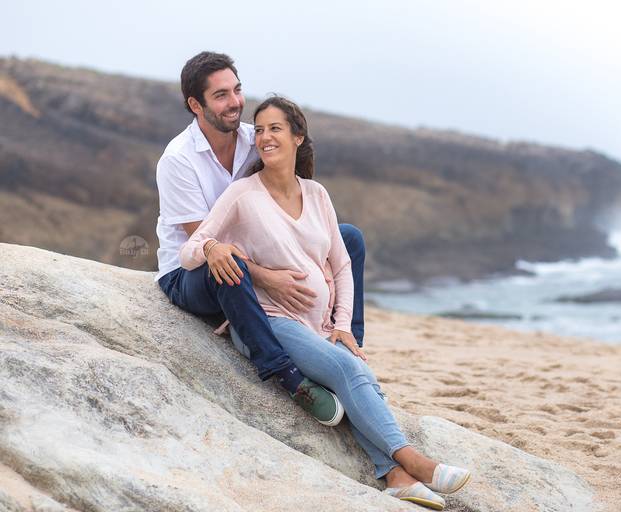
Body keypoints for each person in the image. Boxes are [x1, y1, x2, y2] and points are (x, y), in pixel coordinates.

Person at [179, 96, 470, 510]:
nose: (264, 137)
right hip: (269, 321)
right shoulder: (243, 194)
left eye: (275, 128)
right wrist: (212, 247)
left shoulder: (316, 194)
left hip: (317, 324)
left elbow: (343, 263)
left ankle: (393, 477)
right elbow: (188, 250)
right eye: (259, 130)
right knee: (350, 371)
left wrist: (343, 325)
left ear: (298, 137)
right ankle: (415, 462)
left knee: (357, 375)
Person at [155, 51, 366, 426]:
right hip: (190, 273)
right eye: (221, 95)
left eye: (237, 90)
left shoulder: (257, 140)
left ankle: (346, 345)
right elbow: (204, 245)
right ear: (195, 104)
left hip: (256, 259)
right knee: (228, 265)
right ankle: (289, 377)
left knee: (348, 239)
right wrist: (267, 277)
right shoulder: (178, 160)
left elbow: (296, 189)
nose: (235, 102)